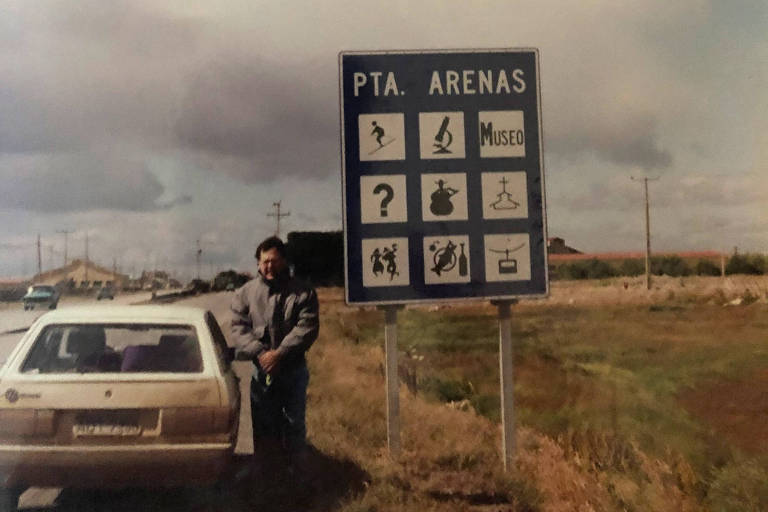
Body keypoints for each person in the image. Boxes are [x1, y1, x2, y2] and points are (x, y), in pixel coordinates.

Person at [230, 236, 319, 475]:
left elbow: (307, 327)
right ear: (258, 264)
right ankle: (265, 473)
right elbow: (239, 328)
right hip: (261, 372)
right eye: (264, 262)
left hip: (293, 370)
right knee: (262, 424)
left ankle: (297, 473)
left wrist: (279, 354)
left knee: (294, 423)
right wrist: (262, 354)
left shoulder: (304, 292)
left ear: (285, 262)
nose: (269, 266)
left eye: (274, 261)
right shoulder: (245, 293)